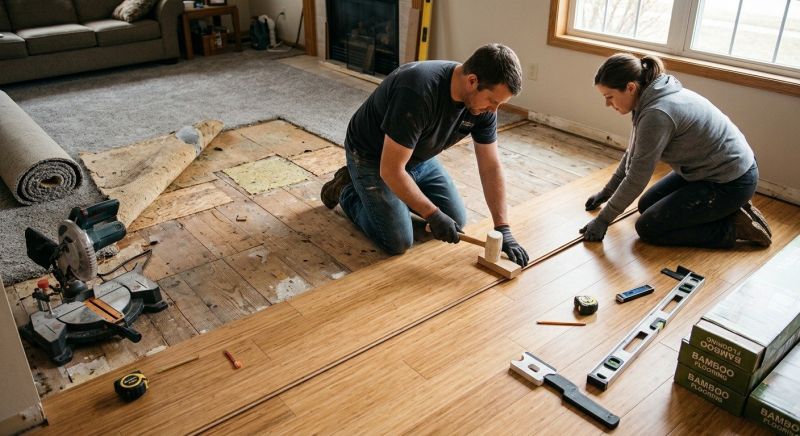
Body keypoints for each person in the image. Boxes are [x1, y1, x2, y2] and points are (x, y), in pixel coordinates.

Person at [320, 43, 529, 266]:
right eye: (492, 101)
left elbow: (490, 166)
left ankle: (396, 201)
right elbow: (390, 169)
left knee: (455, 220)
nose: (493, 110)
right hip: (372, 155)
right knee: (397, 240)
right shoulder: (417, 90)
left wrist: (503, 227)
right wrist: (431, 214)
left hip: (417, 156)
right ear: (472, 81)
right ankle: (347, 189)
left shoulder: (481, 106)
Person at [580, 53, 771, 248]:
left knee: (649, 228)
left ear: (630, 87)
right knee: (646, 205)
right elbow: (633, 155)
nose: (607, 104)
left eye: (609, 97)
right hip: (708, 171)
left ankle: (732, 228)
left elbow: (637, 177)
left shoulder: (657, 114)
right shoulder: (649, 96)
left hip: (731, 182)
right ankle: (719, 210)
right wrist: (606, 192)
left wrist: (603, 220)